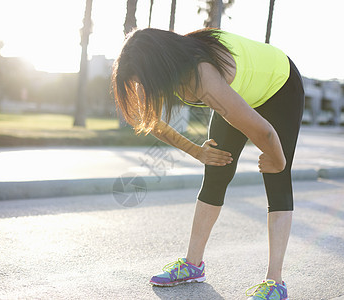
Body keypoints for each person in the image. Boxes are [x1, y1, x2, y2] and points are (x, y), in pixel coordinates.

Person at [112, 27, 304, 300]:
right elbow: (149, 121)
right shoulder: (154, 72)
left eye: (143, 81)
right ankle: (193, 264)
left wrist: (277, 159)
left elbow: (265, 133)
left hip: (280, 86)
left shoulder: (202, 77)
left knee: (277, 178)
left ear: (159, 66)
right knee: (215, 169)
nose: (142, 88)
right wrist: (196, 151)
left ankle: (276, 283)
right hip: (240, 93)